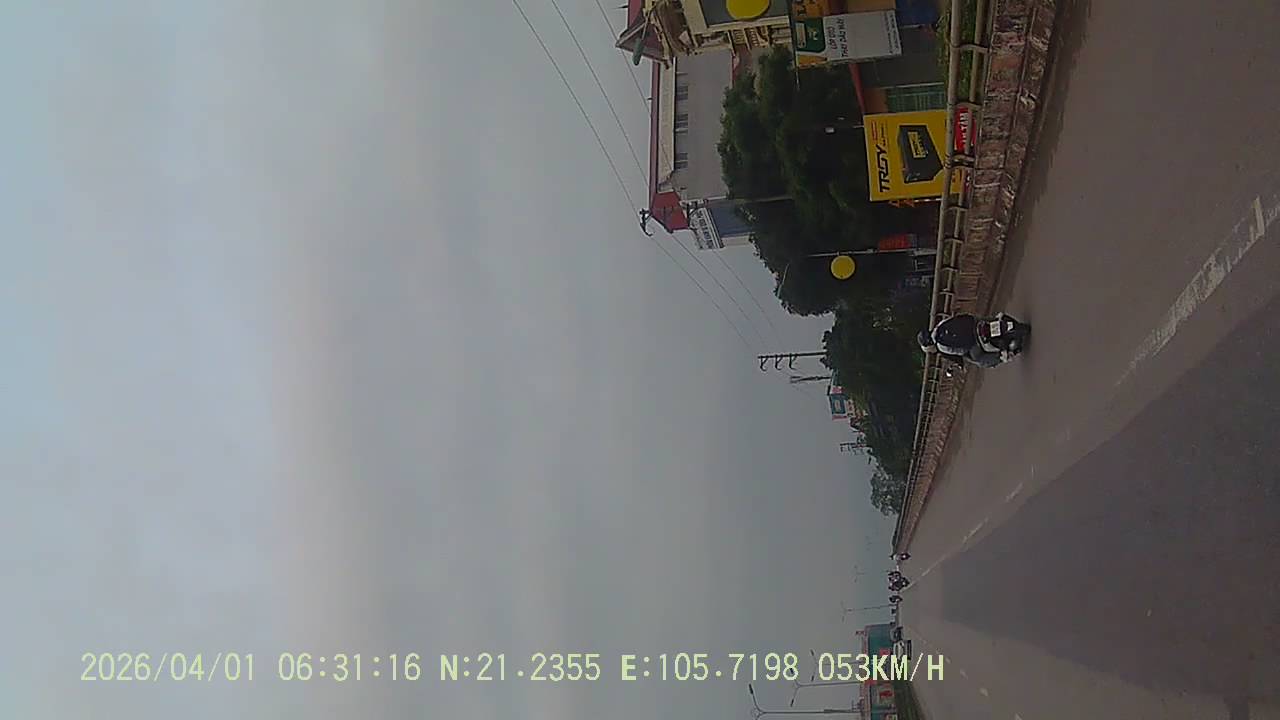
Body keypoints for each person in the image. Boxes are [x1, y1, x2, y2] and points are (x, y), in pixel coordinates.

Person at [918, 314, 1005, 368]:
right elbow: (957, 317)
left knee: (978, 359)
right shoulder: (940, 324)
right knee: (982, 320)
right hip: (973, 322)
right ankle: (997, 319)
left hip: (974, 341)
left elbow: (959, 351)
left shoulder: (941, 346)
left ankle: (1001, 357)